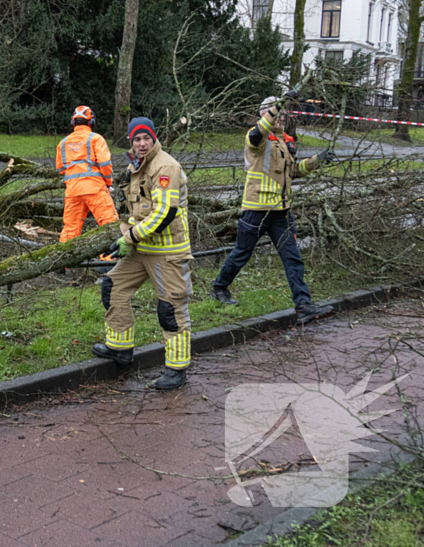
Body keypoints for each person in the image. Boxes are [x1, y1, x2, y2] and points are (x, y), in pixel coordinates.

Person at [210, 90, 336, 325]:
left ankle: (303, 305)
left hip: (281, 211)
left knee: (292, 258)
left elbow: (294, 171)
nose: (281, 118)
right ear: (265, 114)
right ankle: (219, 288)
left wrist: (317, 160)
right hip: (257, 208)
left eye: (283, 114)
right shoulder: (256, 138)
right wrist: (277, 104)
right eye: (277, 114)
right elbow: (261, 129)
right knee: (241, 253)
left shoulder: (283, 142)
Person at [92, 118, 193, 391]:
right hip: (142, 249)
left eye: (146, 138)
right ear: (131, 142)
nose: (142, 143)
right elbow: (136, 211)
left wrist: (130, 237)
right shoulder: (134, 166)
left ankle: (177, 368)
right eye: (136, 139)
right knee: (112, 287)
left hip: (168, 252)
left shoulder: (165, 166)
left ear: (154, 138)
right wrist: (125, 232)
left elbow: (164, 213)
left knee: (170, 310)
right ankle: (120, 348)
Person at [56, 106, 119, 242]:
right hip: (95, 189)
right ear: (91, 122)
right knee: (109, 225)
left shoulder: (63, 143)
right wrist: (108, 183)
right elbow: (105, 164)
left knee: (70, 229)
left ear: (73, 123)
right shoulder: (96, 139)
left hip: (73, 191)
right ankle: (110, 262)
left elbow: (60, 168)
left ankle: (64, 262)